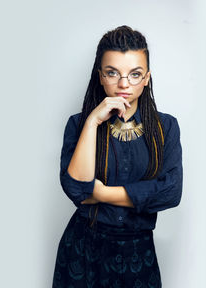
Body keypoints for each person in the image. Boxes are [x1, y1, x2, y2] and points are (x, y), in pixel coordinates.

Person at [52, 25, 183, 288]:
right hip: (83, 250)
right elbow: (77, 188)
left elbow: (170, 192)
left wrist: (100, 194)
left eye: (135, 74)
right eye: (112, 73)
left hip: (139, 252)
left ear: (146, 78)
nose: (124, 84)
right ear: (100, 76)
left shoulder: (165, 127)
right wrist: (92, 122)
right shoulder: (78, 125)